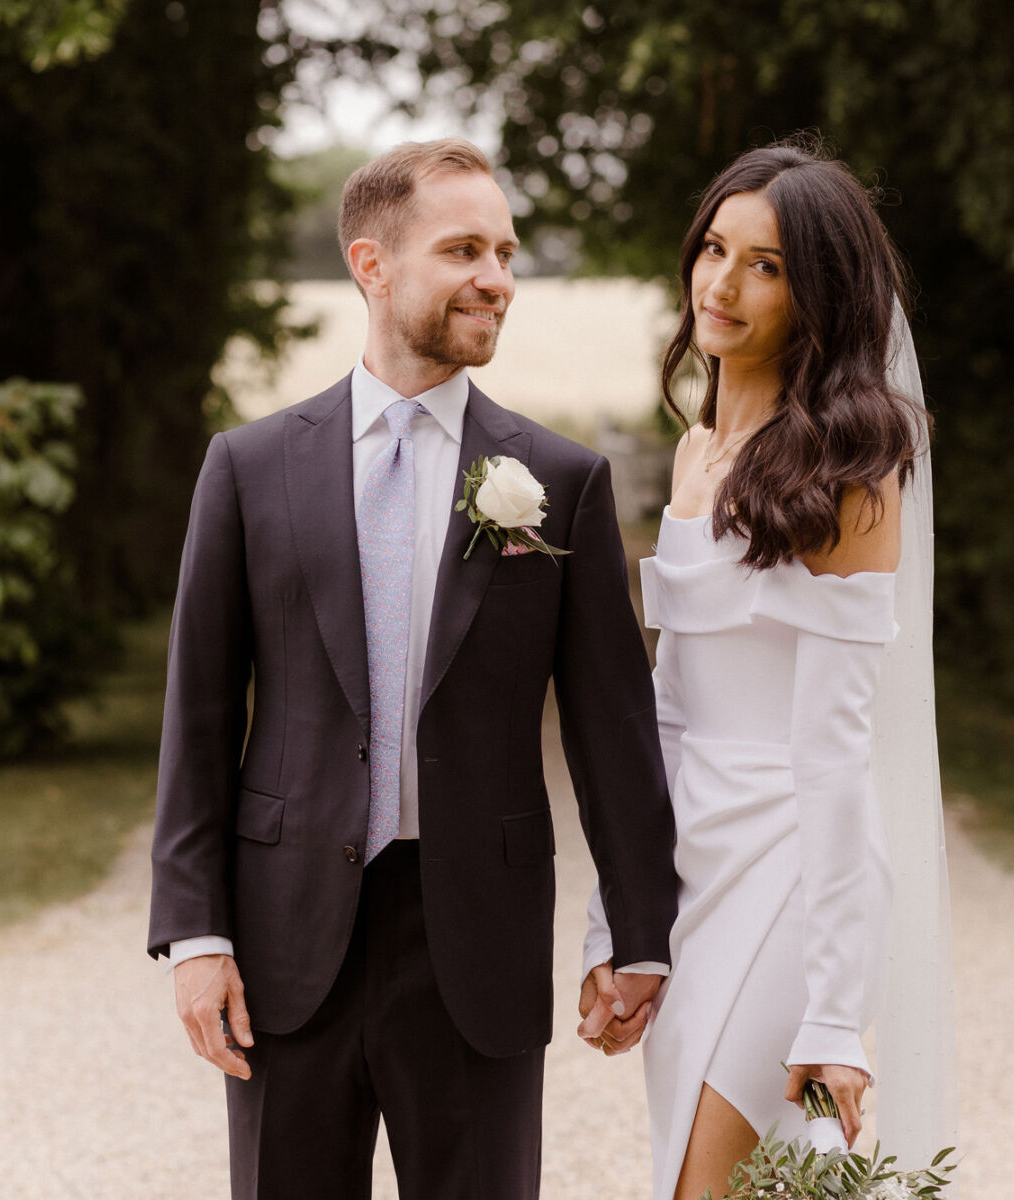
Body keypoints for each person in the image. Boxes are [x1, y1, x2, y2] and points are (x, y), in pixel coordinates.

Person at [147, 137, 680, 1200]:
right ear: (372, 265)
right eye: (464, 249)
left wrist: (638, 930)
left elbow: (611, 727)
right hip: (285, 940)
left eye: (507, 251)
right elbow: (198, 717)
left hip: (474, 941)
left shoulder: (559, 482)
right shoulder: (247, 469)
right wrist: (194, 931)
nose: (497, 277)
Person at [578, 138, 958, 1199]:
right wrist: (622, 921)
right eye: (714, 249)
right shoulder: (697, 450)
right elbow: (663, 717)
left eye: (767, 265)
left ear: (821, 294)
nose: (723, 283)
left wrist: (838, 1013)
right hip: (693, 873)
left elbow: (838, 754)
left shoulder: (851, 471)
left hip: (792, 873)